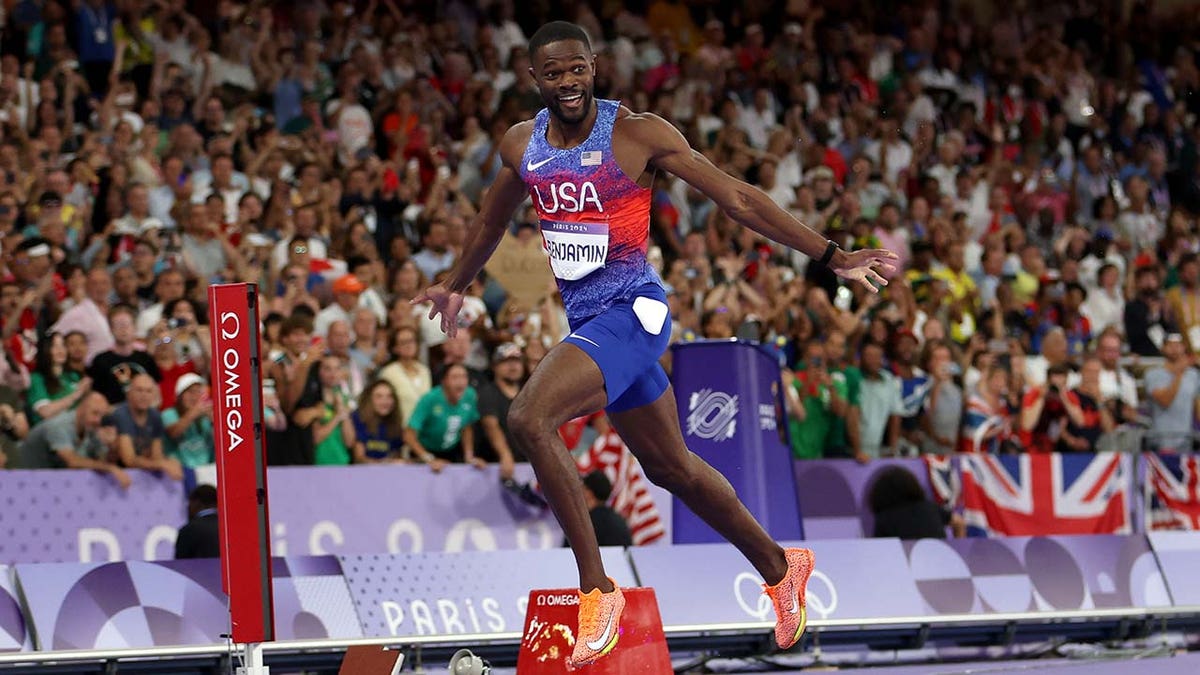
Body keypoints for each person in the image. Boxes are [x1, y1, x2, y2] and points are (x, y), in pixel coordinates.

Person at [413, 21, 897, 665]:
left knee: (529, 417)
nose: (567, 83)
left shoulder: (637, 133)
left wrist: (830, 254)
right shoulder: (521, 146)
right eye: (553, 73)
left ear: (594, 67)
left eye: (577, 69)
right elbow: (491, 220)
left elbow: (739, 200)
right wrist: (454, 284)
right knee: (671, 469)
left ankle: (597, 592)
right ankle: (782, 568)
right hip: (591, 327)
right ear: (534, 79)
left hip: (635, 313)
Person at [17, 392, 129, 488]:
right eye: (95, 413)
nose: (98, 420)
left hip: (53, 484)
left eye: (102, 415)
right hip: (24, 482)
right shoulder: (59, 425)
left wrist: (112, 447)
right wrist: (110, 468)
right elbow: (72, 462)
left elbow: (102, 461)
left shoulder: (92, 428)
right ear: (81, 408)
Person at [404, 363, 482, 472]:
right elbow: (409, 435)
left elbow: (467, 427)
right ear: (444, 381)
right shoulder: (429, 399)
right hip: (425, 450)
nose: (461, 381)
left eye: (464, 376)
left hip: (452, 450)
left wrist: (469, 456)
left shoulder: (470, 395)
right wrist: (429, 459)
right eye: (455, 377)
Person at [112, 374, 182, 480]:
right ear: (129, 393)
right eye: (139, 390)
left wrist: (167, 462)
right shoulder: (121, 415)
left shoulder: (155, 416)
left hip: (140, 473)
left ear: (154, 395)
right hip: (116, 473)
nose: (144, 395)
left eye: (148, 391)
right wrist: (161, 464)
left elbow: (156, 455)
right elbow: (129, 459)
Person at [868, 465, 959, 539]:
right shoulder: (930, 507)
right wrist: (958, 547)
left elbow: (879, 549)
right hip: (938, 557)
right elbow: (959, 522)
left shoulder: (884, 519)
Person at [476, 342, 525, 480]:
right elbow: (491, 426)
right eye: (506, 362)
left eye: (516, 361)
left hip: (527, 465)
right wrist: (505, 454)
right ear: (494, 366)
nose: (513, 366)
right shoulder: (487, 393)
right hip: (494, 467)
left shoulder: (528, 393)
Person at [1144, 333, 1200, 453]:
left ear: (1184, 347)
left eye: (1178, 345)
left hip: (1186, 442)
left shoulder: (1193, 375)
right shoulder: (1153, 374)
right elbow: (1165, 401)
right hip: (1160, 441)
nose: (1175, 348)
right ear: (1163, 348)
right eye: (1170, 345)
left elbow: (1198, 411)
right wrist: (1179, 373)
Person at [27, 332, 91, 424]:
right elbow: (45, 412)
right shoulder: (36, 378)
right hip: (49, 428)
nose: (60, 350)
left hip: (76, 425)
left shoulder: (72, 375)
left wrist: (86, 393)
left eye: (63, 345)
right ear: (45, 349)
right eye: (54, 346)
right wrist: (76, 394)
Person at [561, 470, 633, 547]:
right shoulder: (619, 519)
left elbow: (567, 552)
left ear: (588, 493)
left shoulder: (582, 523)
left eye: (582, 487)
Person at [162, 373, 215, 469]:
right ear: (179, 395)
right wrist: (193, 413)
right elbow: (173, 432)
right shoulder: (169, 414)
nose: (194, 397)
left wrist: (215, 423)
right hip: (181, 471)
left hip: (207, 468)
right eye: (190, 392)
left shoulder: (205, 418)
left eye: (198, 392)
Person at [351, 379, 405, 462]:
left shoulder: (394, 421)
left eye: (389, 396)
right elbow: (359, 458)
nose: (385, 401)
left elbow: (396, 455)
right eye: (379, 396)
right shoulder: (358, 417)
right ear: (369, 399)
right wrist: (382, 464)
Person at [175, 484, 220, 559]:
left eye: (189, 503)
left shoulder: (188, 530)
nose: (188, 507)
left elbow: (180, 566)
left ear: (196, 502)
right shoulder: (231, 528)